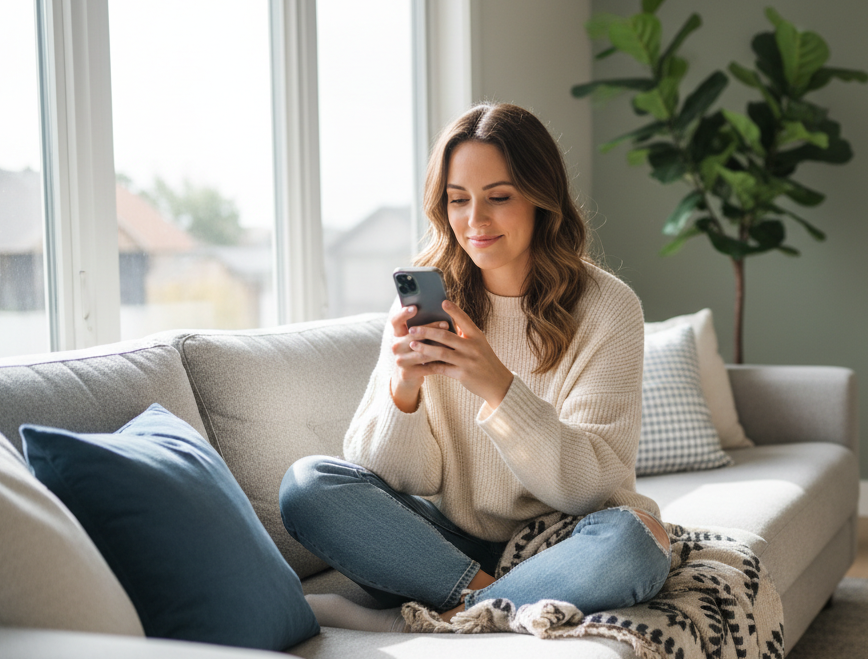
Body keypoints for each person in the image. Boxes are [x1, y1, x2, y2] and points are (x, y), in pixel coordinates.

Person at [279, 103, 671, 632]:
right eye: (458, 200)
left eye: (499, 198)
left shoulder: (608, 308)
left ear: (541, 198)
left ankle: (428, 619)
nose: (475, 221)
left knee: (635, 546)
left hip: (566, 541)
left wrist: (498, 387)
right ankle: (486, 605)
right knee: (307, 485)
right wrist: (404, 389)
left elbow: (587, 489)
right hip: (450, 548)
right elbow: (405, 478)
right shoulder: (428, 300)